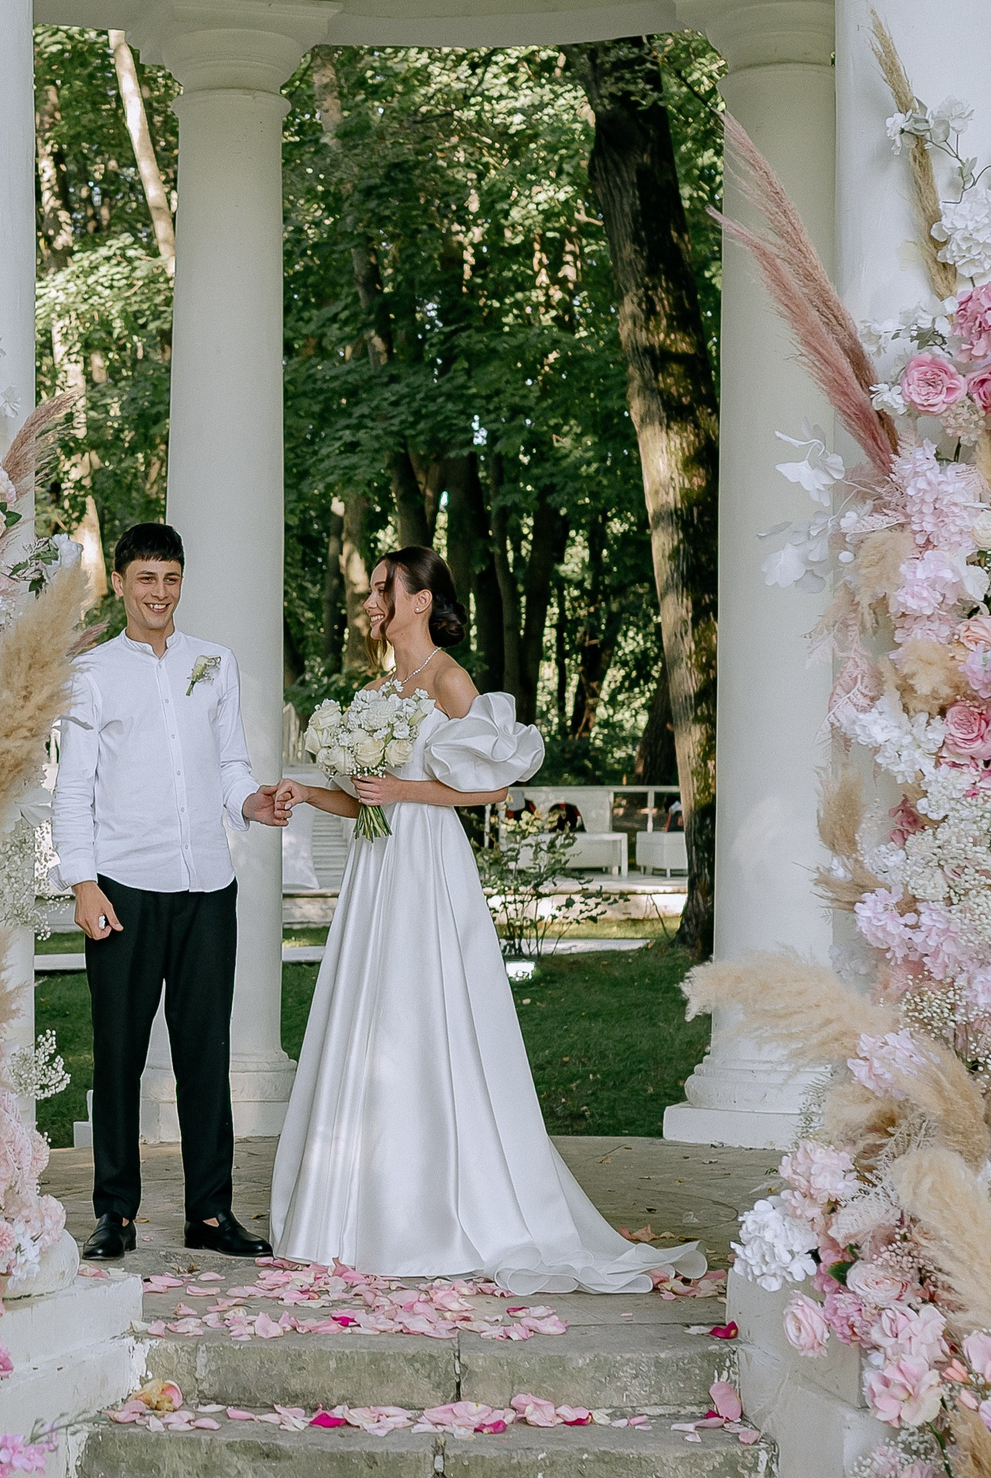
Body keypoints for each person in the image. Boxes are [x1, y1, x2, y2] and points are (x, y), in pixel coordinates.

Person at [269, 549, 704, 1290]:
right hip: (377, 876)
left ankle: (440, 1205)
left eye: (383, 587)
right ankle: (357, 1206)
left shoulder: (448, 679)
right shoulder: (374, 689)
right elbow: (365, 795)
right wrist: (310, 793)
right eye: (373, 587)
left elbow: (494, 790)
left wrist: (406, 788)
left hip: (428, 868)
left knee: (427, 1013)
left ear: (420, 599)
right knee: (371, 1019)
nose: (372, 598)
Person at [53, 522, 292, 1262]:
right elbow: (73, 789)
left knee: (203, 1052)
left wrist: (252, 802)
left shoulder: (214, 663)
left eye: (171, 578)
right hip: (124, 886)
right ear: (119, 583)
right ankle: (114, 1214)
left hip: (207, 888)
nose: (160, 592)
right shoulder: (90, 674)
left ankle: (210, 1213)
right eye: (146, 578)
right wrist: (83, 881)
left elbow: (229, 763)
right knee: (120, 1053)